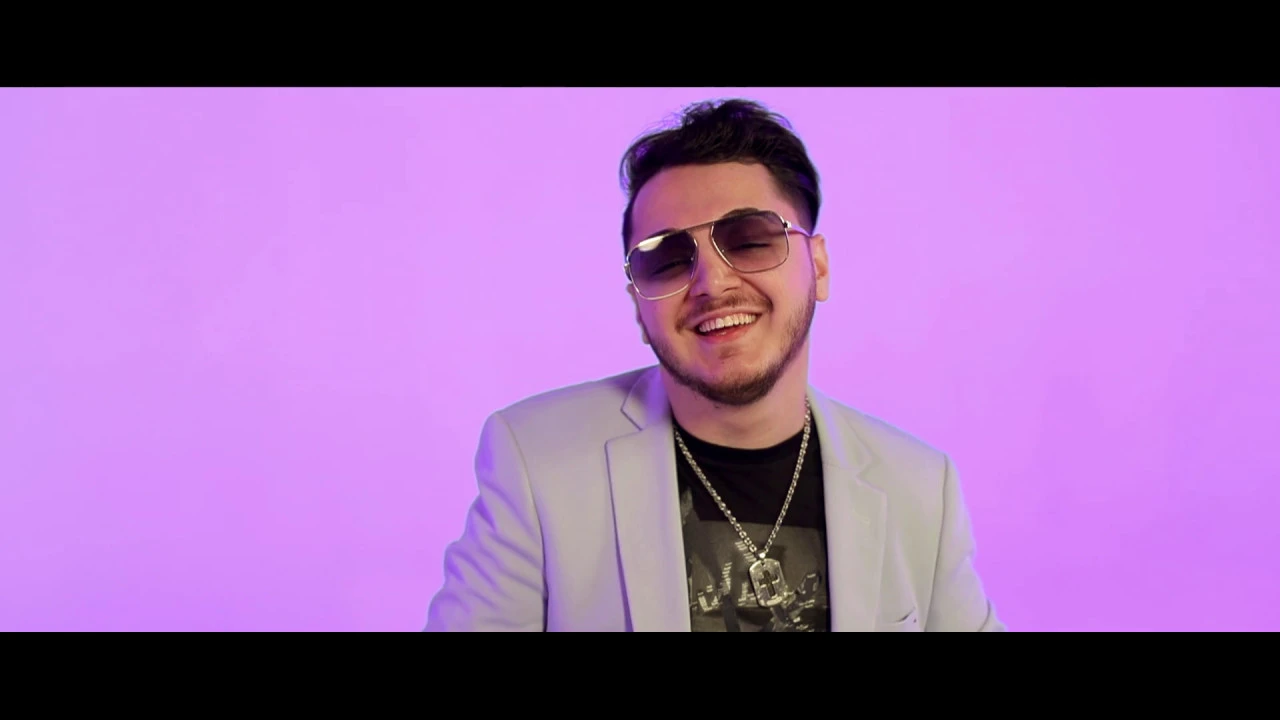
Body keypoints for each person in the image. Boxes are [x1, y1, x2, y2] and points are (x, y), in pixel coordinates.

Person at [424, 98, 1004, 632]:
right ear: (638, 305)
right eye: (667, 260)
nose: (712, 283)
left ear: (819, 267)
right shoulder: (537, 461)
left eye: (749, 240)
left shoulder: (919, 486)